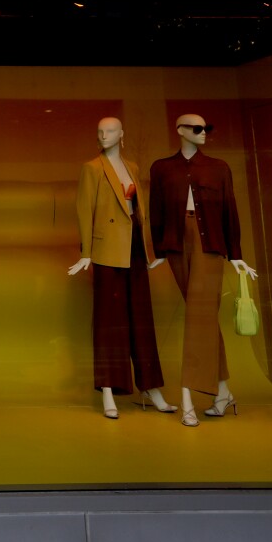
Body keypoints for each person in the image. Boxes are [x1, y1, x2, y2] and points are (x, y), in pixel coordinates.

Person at [149, 114, 257, 428]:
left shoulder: (219, 167)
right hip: (175, 246)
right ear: (180, 131)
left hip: (210, 244)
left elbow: (229, 209)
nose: (203, 134)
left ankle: (187, 400)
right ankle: (223, 392)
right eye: (197, 129)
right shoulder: (162, 168)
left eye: (206, 129)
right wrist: (158, 250)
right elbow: (155, 208)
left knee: (199, 317)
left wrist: (235, 254)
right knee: (204, 316)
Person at [69, 117, 175, 420]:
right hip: (106, 252)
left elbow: (137, 210)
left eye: (110, 131)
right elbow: (83, 209)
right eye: (100, 131)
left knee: (142, 320)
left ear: (121, 134)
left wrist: (151, 250)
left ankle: (151, 387)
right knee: (108, 324)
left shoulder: (133, 167)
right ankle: (108, 391)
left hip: (135, 250)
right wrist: (86, 253)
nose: (104, 136)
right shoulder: (92, 168)